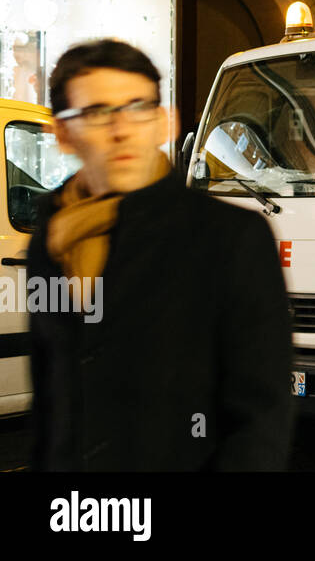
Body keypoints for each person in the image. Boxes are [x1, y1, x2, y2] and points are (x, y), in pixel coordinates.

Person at [27, 39, 292, 470]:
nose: (122, 129)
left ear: (165, 122)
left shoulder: (230, 238)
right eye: (96, 113)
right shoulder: (51, 240)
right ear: (61, 133)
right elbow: (49, 395)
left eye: (138, 107)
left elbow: (260, 419)